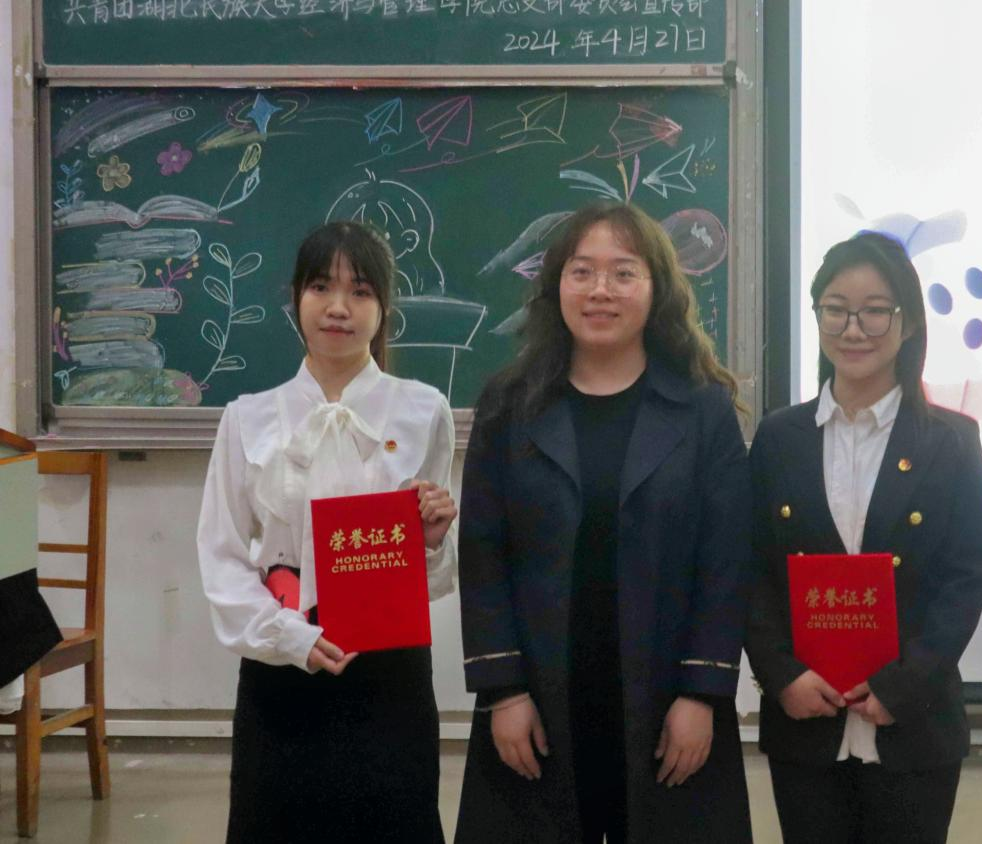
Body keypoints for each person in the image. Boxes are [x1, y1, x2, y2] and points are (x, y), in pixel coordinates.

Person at [455, 201, 753, 843]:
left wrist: (701, 694)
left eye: (623, 272)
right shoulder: (509, 404)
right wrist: (503, 691)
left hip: (667, 700)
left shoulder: (703, 408)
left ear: (657, 287)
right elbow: (482, 554)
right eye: (582, 271)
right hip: (538, 699)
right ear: (555, 285)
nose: (600, 290)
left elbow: (725, 562)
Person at [197, 221, 457, 843]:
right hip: (282, 664)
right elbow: (223, 553)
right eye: (321, 287)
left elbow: (428, 573)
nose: (339, 307)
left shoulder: (423, 410)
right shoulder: (248, 418)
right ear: (296, 298)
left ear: (384, 308)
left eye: (360, 291)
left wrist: (432, 537)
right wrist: (288, 636)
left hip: (389, 669)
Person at [745, 231, 982, 844]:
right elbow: (750, 571)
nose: (853, 328)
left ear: (908, 324)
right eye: (836, 309)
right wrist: (781, 676)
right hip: (806, 723)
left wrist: (901, 688)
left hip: (915, 726)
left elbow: (965, 581)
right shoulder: (778, 439)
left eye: (875, 310)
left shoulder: (952, 442)